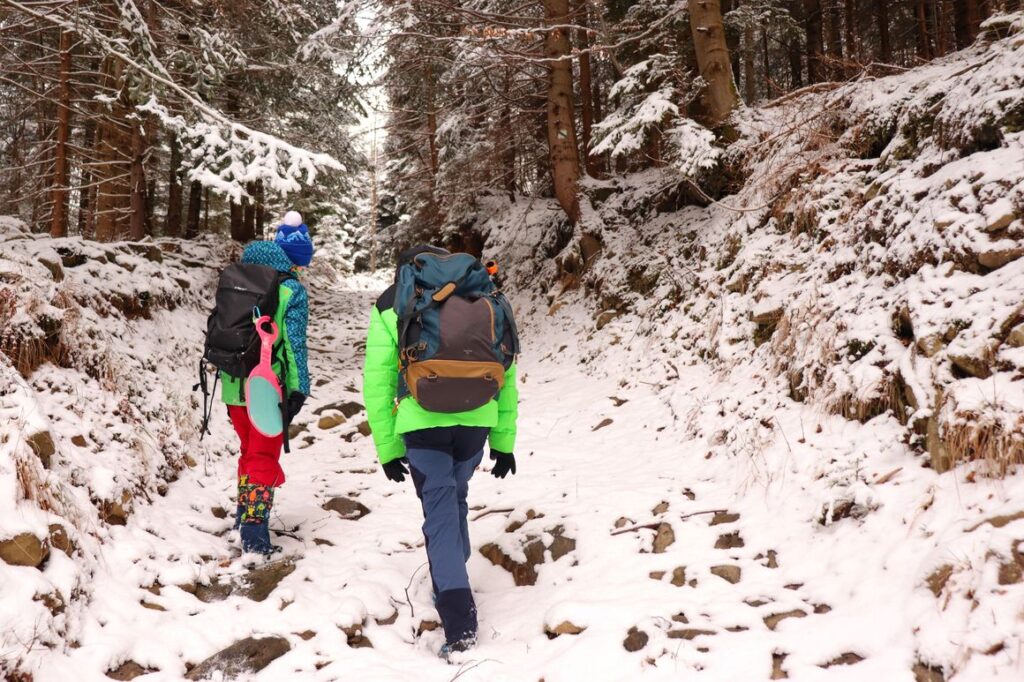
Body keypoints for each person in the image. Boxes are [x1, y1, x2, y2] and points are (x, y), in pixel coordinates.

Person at [362, 245, 519, 658]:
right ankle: (451, 569)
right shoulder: (484, 298)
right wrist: (503, 442)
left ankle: (460, 622)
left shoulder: (394, 303)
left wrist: (388, 446)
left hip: (422, 422)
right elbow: (508, 370)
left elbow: (377, 382)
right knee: (455, 497)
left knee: (441, 513)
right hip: (477, 419)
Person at [221, 210, 313, 555]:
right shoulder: (289, 290)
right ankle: (255, 537)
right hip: (265, 386)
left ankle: (244, 515)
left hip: (232, 381)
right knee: (263, 454)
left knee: (249, 449)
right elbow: (293, 344)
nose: (301, 271)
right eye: (301, 265)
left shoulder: (236, 276)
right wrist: (299, 388)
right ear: (294, 261)